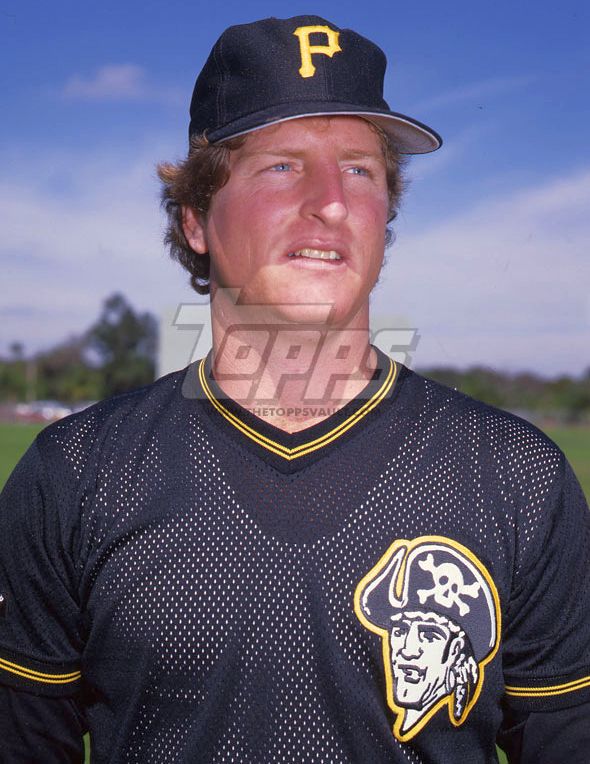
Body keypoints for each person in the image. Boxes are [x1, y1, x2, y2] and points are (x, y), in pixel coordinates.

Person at [0, 14, 589, 763]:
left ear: (386, 214)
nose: (331, 202)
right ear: (196, 220)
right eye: (282, 165)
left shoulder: (517, 477)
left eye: (360, 170)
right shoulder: (75, 474)